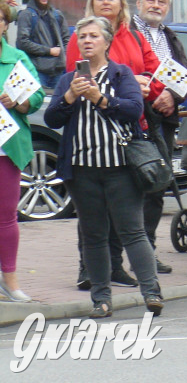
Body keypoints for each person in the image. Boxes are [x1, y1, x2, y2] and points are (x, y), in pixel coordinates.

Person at [47, 16, 162, 318]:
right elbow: (52, 119)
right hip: (83, 171)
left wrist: (99, 98)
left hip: (120, 169)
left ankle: (151, 292)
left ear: (107, 42)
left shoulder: (122, 74)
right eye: (82, 36)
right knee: (94, 235)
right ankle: (101, 299)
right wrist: (71, 95)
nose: (86, 41)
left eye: (93, 36)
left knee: (132, 231)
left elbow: (134, 110)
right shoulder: (68, 79)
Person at [67, 0, 167, 291]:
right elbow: (77, 76)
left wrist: (150, 87)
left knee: (134, 200)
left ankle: (116, 264)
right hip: (93, 131)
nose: (107, 3)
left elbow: (156, 71)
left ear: (122, 4)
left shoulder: (135, 38)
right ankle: (90, 269)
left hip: (131, 128)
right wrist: (122, 86)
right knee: (94, 209)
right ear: (92, 4)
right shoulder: (82, 36)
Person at [132, 0, 187, 273]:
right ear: (139, 3)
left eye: (161, 2)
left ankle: (147, 252)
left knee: (156, 186)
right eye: (150, 0)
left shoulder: (171, 37)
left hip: (163, 120)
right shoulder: (127, 32)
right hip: (133, 118)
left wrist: (172, 95)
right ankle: (119, 255)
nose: (155, 6)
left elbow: (183, 73)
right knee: (129, 188)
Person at [0, 2, 45, 303]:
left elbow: (37, 95)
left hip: (7, 148)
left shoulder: (17, 59)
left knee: (6, 217)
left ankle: (10, 282)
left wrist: (19, 103)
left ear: (5, 24)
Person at [16, 0, 70, 89]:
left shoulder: (57, 15)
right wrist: (49, 51)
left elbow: (66, 40)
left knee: (58, 104)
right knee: (39, 104)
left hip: (58, 71)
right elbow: (22, 42)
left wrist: (62, 55)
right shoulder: (27, 15)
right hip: (37, 71)